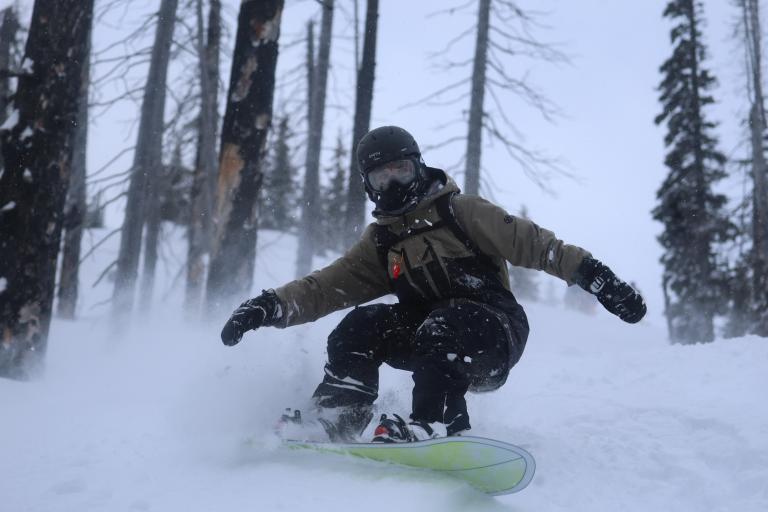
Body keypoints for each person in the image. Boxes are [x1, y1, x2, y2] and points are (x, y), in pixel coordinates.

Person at [220, 126, 646, 443]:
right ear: (368, 185)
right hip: (430, 340)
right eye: (382, 177)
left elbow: (538, 246)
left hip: (493, 333)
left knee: (444, 324)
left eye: (401, 171)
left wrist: (601, 281)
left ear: (418, 167)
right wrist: (269, 305)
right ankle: (339, 413)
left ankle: (433, 422)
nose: (394, 183)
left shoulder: (461, 212)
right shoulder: (383, 242)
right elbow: (325, 288)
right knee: (360, 325)